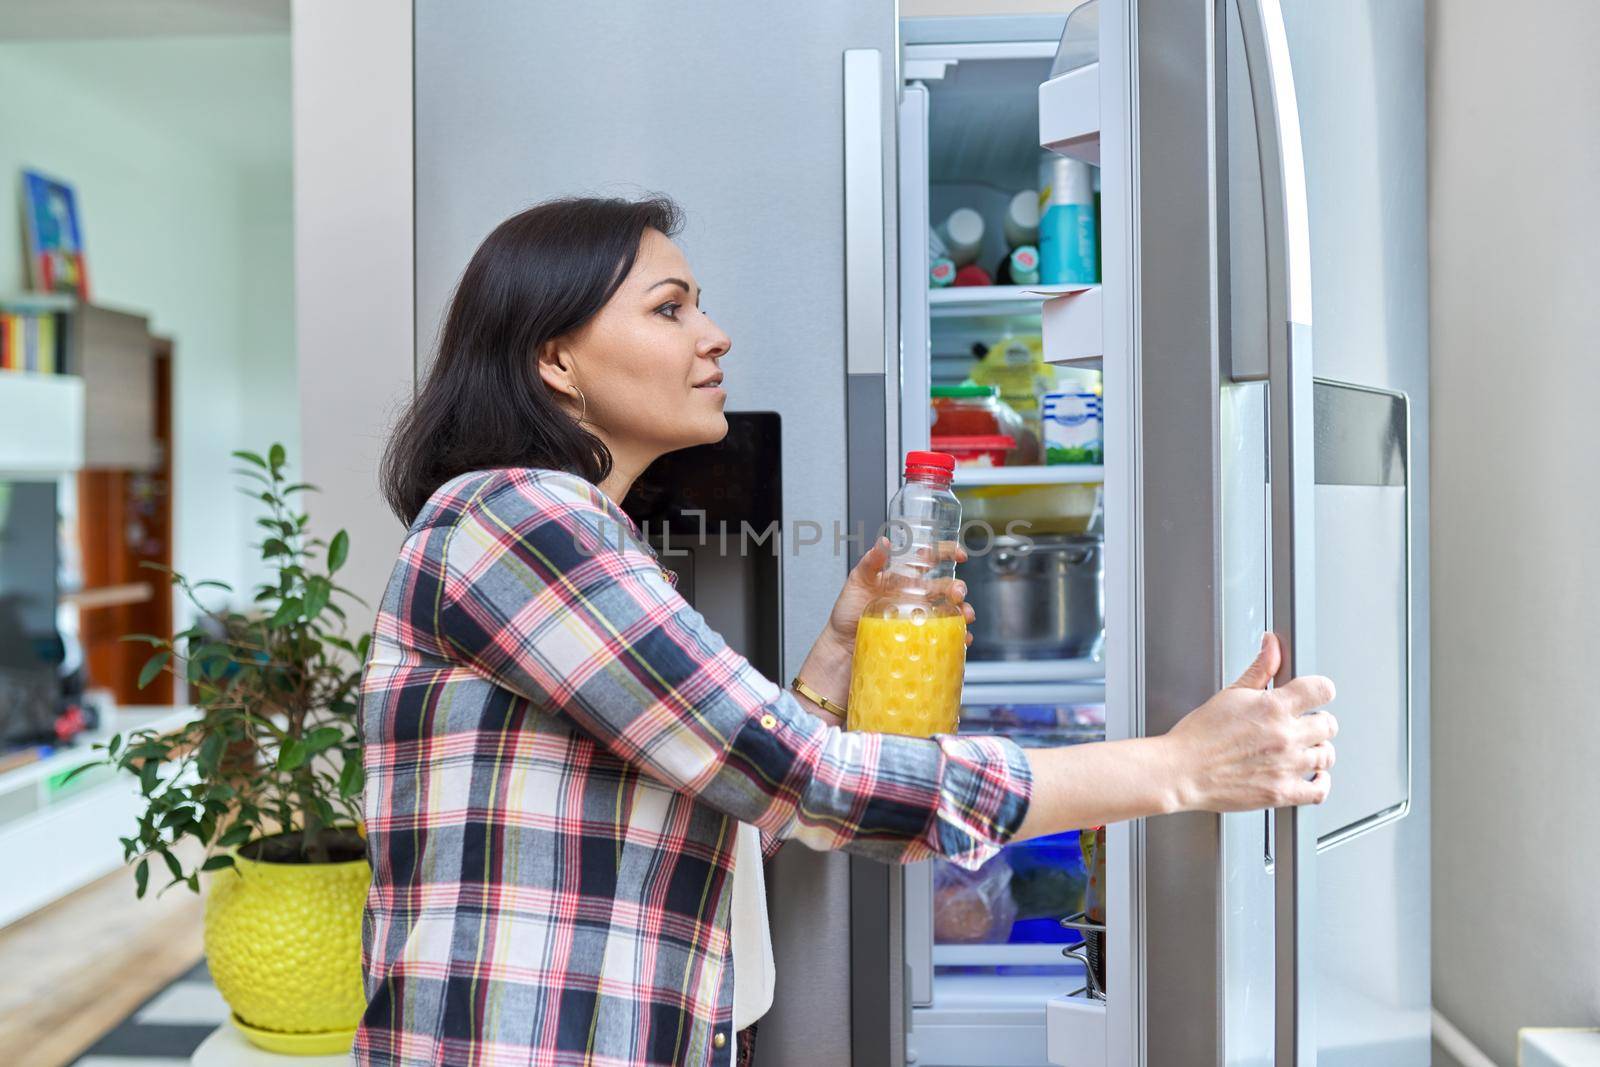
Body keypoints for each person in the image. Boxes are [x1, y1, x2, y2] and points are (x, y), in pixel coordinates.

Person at [355, 196, 1337, 1067]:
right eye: (671, 307)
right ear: (553, 357)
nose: (716, 335)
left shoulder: (571, 533)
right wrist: (1175, 767)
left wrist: (833, 654)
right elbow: (809, 783)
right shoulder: (521, 519)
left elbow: (744, 809)